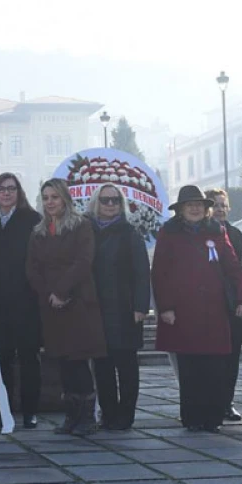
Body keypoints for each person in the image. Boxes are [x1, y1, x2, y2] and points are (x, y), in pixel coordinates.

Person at [152, 185, 242, 433]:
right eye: (189, 205)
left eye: (199, 204)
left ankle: (213, 417)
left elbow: (233, 266)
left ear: (206, 209)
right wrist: (165, 307)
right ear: (181, 210)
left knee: (215, 367)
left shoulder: (217, 231)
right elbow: (160, 273)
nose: (195, 208)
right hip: (183, 312)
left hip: (214, 312)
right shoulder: (168, 233)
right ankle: (192, 417)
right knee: (189, 368)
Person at [26, 178, 105, 436]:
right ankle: (71, 417)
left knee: (78, 362)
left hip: (77, 302)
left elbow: (84, 261)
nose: (50, 202)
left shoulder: (81, 225)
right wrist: (48, 293)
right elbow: (32, 267)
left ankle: (86, 418)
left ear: (65, 199)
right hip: (51, 306)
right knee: (63, 363)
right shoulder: (38, 231)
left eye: (55, 197)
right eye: (46, 197)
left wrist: (61, 291)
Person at [0, 173, 42, 430]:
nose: (6, 193)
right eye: (1, 189)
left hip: (26, 302)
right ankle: (3, 409)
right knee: (1, 357)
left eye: (11, 189)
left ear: (19, 192)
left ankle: (30, 411)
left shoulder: (32, 220)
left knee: (28, 357)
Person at [87, 183, 150, 431]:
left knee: (126, 367)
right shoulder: (87, 231)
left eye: (115, 200)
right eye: (105, 200)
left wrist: (140, 307)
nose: (110, 204)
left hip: (124, 309)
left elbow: (142, 274)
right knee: (102, 366)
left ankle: (126, 415)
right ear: (96, 202)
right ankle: (108, 413)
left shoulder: (130, 233)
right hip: (96, 308)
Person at [205, 188, 242, 422]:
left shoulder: (237, 235)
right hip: (207, 307)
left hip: (232, 307)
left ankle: (227, 403)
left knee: (232, 358)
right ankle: (209, 402)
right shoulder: (199, 233)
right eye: (215, 204)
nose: (220, 208)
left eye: (223, 204)